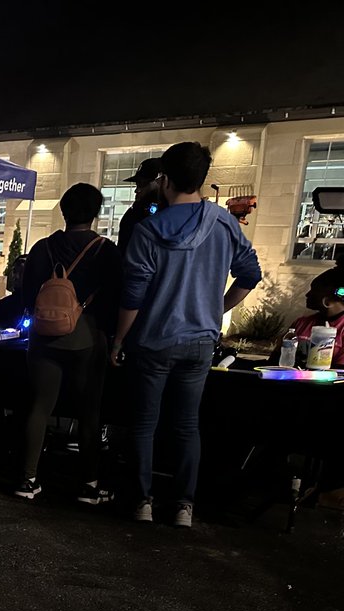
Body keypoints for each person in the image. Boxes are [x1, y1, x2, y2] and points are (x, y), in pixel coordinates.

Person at [112, 141, 262, 527]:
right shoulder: (224, 223)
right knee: (186, 424)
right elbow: (250, 275)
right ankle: (183, 506)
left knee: (144, 423)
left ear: (163, 179)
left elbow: (133, 296)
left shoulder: (148, 230)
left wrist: (117, 340)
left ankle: (141, 502)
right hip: (200, 342)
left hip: (152, 341)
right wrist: (218, 308)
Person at [14, 183, 123, 503]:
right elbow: (117, 296)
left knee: (39, 407)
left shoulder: (42, 247)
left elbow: (26, 294)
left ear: (63, 211)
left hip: (44, 337)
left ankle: (27, 479)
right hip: (86, 339)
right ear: (95, 213)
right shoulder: (106, 250)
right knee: (89, 411)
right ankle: (89, 484)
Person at [287, 260, 344, 366]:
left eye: (313, 291)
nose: (307, 295)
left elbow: (339, 374)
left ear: (327, 302)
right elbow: (276, 360)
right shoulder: (300, 323)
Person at [117, 157, 163, 253]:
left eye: (143, 184)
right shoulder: (133, 214)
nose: (137, 190)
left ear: (160, 182)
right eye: (137, 185)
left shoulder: (165, 215)